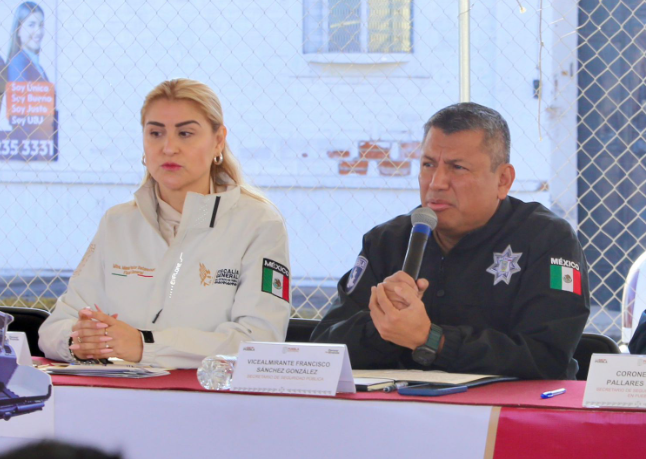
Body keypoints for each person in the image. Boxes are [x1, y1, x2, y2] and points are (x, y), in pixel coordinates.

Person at [312, 102, 590, 380]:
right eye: (428, 165)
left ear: (503, 180)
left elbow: (547, 357)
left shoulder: (547, 240)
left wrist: (432, 340)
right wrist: (385, 323)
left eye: (457, 167)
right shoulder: (387, 241)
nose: (436, 182)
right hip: (400, 404)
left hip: (507, 406)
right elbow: (324, 351)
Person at [39, 78, 291, 368]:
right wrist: (80, 341)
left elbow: (261, 341)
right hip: (114, 392)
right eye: (156, 133)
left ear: (218, 140)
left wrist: (144, 345)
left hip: (209, 394)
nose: (169, 148)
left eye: (185, 133)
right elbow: (54, 329)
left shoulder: (259, 223)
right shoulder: (118, 223)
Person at [6, 2, 49, 82]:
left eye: (41, 25)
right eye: (31, 25)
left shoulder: (35, 64)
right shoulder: (18, 63)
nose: (38, 32)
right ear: (18, 30)